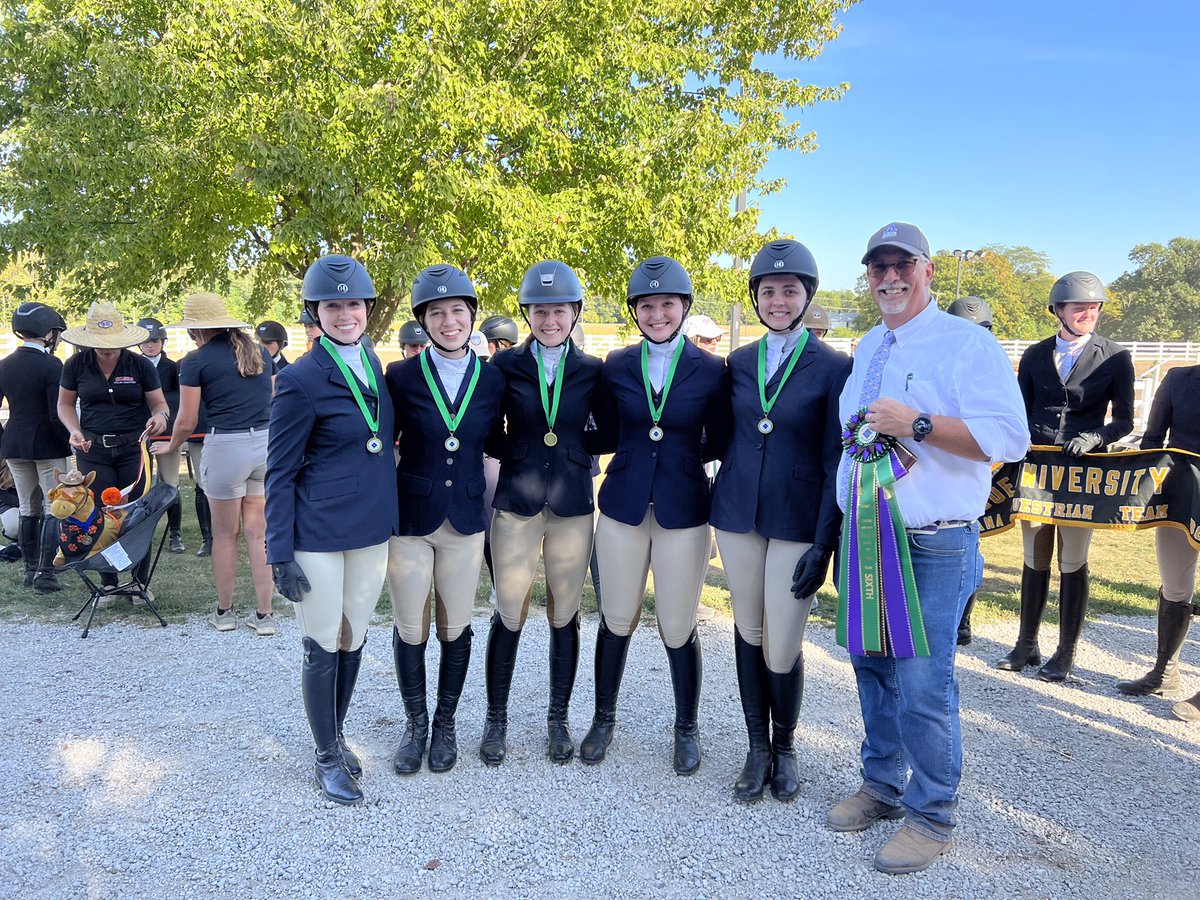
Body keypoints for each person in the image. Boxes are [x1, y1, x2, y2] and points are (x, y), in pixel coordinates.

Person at [829, 223, 1027, 874]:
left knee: (923, 684)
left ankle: (932, 814)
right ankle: (882, 787)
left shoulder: (966, 343)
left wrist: (915, 423)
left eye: (901, 265)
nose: (889, 277)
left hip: (933, 545)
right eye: (877, 267)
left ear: (928, 270)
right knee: (872, 669)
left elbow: (1007, 437)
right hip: (867, 535)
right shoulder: (868, 345)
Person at [709, 240, 850, 803]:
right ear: (756, 298)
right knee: (748, 629)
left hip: (797, 520)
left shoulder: (835, 366)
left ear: (806, 297)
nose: (778, 300)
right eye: (768, 291)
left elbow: (836, 458)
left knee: (783, 640)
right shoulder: (739, 363)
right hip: (740, 514)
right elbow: (721, 436)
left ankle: (786, 745)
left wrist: (825, 540)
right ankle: (755, 747)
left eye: (789, 291)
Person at [582, 256, 731, 775]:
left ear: (684, 308)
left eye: (667, 304)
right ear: (635, 311)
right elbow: (598, 430)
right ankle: (603, 720)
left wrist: (688, 461)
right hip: (623, 505)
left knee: (676, 623)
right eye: (647, 305)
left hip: (684, 509)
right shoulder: (617, 365)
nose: (657, 313)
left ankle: (686, 728)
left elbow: (723, 437)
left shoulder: (712, 369)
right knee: (616, 618)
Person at [265, 255, 398, 805]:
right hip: (316, 532)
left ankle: (337, 736)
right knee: (322, 642)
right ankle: (325, 756)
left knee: (354, 637)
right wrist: (279, 551)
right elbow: (279, 469)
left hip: (369, 529)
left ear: (367, 309)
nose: (344, 313)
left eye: (353, 304)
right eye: (332, 305)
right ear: (315, 312)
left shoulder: (374, 366)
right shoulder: (298, 379)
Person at [478, 260, 604, 766]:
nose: (549, 320)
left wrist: (571, 448)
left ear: (574, 312)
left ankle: (558, 719)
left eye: (558, 310)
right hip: (518, 501)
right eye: (539, 311)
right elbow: (486, 427)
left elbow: (609, 431)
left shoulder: (593, 370)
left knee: (564, 613)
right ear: (527, 313)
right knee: (509, 610)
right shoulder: (504, 367)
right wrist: (520, 451)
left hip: (572, 504)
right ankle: (496, 720)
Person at [384, 264, 504, 775]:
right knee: (412, 625)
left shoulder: (494, 377)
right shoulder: (401, 375)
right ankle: (415, 724)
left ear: (471, 316)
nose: (449, 320)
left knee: (456, 625)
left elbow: (497, 445)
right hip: (412, 516)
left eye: (457, 310)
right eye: (437, 313)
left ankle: (445, 723)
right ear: (424, 321)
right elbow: (383, 443)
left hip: (465, 519)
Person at [997, 272, 1134, 681]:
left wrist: (1097, 436)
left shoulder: (1115, 357)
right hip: (1038, 470)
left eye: (1093, 308)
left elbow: (1124, 419)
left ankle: (1066, 651)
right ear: (1058, 311)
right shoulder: (1036, 355)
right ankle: (1026, 644)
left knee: (1072, 559)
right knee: (1033, 555)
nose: (1088, 314)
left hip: (1082, 472)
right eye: (1079, 307)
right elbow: (1018, 410)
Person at [152, 293, 276, 633]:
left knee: (224, 534)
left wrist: (171, 448)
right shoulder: (260, 352)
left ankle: (225, 612)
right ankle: (264, 615)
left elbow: (187, 421)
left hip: (226, 444)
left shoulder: (196, 361)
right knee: (258, 532)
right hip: (264, 443)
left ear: (196, 331)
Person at [58, 303, 170, 592]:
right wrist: (74, 430)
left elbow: (159, 403)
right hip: (93, 450)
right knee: (98, 514)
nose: (106, 351)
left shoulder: (140, 365)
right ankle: (107, 581)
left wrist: (159, 417)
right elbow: (65, 404)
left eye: (112, 345)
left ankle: (138, 582)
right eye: (100, 345)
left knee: (137, 514)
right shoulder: (76, 365)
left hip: (134, 449)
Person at [1115, 362, 1200, 722]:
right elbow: (1153, 439)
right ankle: (1165, 672)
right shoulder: (1179, 379)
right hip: (1180, 499)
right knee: (1175, 584)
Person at [0, 302, 71, 593]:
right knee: (54, 506)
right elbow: (56, 413)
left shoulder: (4, 364)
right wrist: (69, 440)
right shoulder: (52, 365)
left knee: (28, 507)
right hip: (47, 443)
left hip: (14, 443)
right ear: (47, 333)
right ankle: (45, 571)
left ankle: (30, 570)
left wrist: (6, 438)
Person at [943, 296, 995, 645]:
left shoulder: (991, 372)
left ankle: (963, 619)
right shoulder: (942, 367)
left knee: (971, 557)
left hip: (969, 481)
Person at [137, 317, 186, 553]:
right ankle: (138, 531)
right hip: (140, 434)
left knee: (170, 484)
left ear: (163, 342)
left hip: (167, 433)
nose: (150, 346)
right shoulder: (134, 365)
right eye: (146, 341)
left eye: (155, 341)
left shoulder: (173, 368)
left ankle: (174, 534)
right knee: (141, 486)